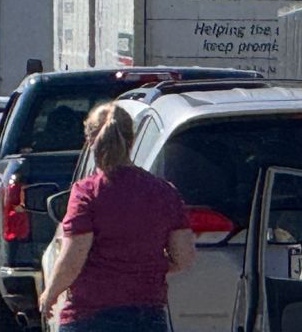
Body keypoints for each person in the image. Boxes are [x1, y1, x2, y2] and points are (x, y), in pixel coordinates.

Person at [38, 103, 196, 331]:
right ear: (131, 142)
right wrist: (148, 266)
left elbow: (74, 258)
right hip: (147, 314)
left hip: (89, 316)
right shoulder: (164, 192)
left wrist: (50, 294)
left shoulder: (86, 192)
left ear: (91, 142)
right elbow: (184, 257)